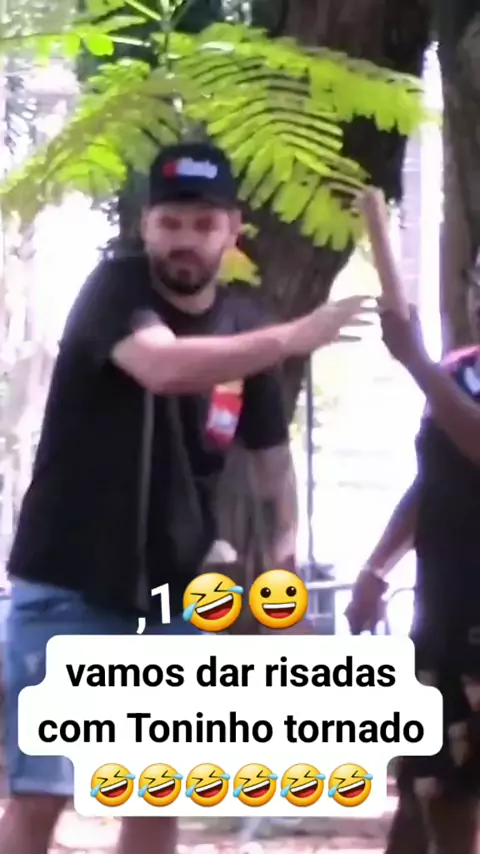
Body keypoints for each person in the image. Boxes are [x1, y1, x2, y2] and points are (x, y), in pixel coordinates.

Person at [0, 139, 368, 854]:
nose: (185, 240)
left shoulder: (246, 323)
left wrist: (283, 570)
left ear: (233, 231)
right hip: (69, 588)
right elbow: (162, 366)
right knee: (41, 795)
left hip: (176, 601)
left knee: (154, 795)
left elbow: (270, 464)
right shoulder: (116, 291)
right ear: (145, 225)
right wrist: (295, 337)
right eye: (170, 222)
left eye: (204, 224)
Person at [347, 285, 480, 854]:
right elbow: (434, 479)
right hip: (441, 612)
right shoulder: (457, 372)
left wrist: (416, 362)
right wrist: (377, 567)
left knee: (461, 794)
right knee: (422, 789)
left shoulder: (436, 374)